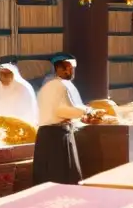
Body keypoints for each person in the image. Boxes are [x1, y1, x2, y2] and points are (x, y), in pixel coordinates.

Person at [34, 53, 98, 185]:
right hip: (57, 136)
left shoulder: (48, 86)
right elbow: (62, 110)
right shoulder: (60, 85)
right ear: (58, 69)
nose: (70, 71)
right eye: (67, 68)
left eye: (71, 68)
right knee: (62, 175)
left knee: (46, 176)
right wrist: (87, 111)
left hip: (45, 135)